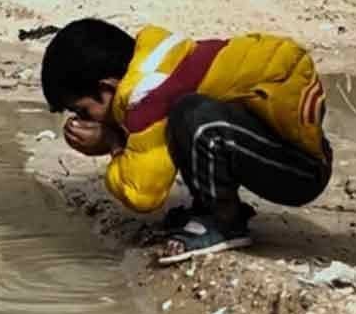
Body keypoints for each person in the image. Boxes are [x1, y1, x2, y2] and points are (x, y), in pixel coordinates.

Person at [40, 18, 333, 264]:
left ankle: (225, 223)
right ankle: (210, 209)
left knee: (190, 114)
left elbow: (143, 195)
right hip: (281, 148)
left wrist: (115, 144)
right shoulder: (155, 65)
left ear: (107, 87)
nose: (86, 119)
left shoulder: (147, 95)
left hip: (302, 172)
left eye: (83, 110)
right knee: (180, 121)